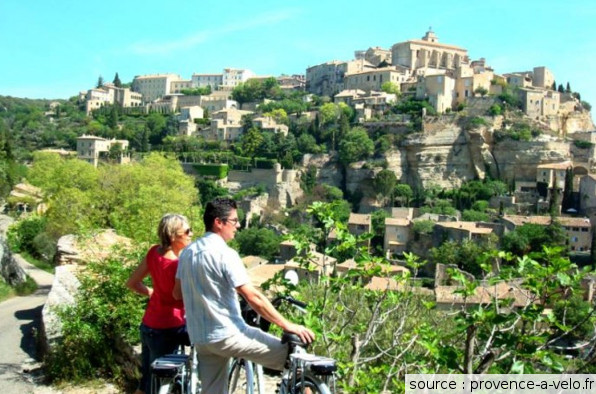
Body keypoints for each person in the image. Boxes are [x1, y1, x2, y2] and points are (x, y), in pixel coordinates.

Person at [174, 197, 314, 393]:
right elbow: (253, 297)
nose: (238, 225)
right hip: (227, 335)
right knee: (296, 357)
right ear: (218, 222)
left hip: (200, 338)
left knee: (212, 390)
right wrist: (287, 325)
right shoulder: (225, 253)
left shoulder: (187, 253)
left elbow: (177, 294)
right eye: (233, 221)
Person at [126, 213, 193, 394]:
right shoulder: (179, 264)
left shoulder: (154, 252)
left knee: (147, 380)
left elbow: (132, 283)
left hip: (149, 325)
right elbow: (179, 296)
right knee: (161, 382)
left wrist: (152, 293)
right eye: (187, 231)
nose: (191, 233)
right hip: (171, 327)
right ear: (173, 235)